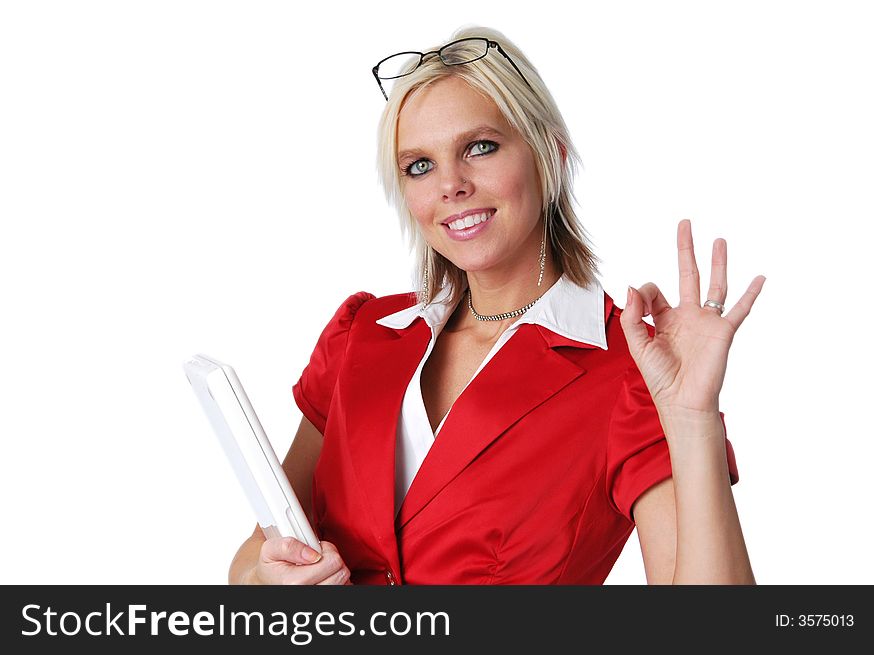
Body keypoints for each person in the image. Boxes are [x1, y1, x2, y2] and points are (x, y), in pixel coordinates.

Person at [229, 25, 765, 585]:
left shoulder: (632, 371)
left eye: (479, 148)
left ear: (548, 157)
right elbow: (257, 552)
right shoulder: (361, 334)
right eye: (419, 165)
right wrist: (264, 581)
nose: (450, 185)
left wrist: (692, 419)